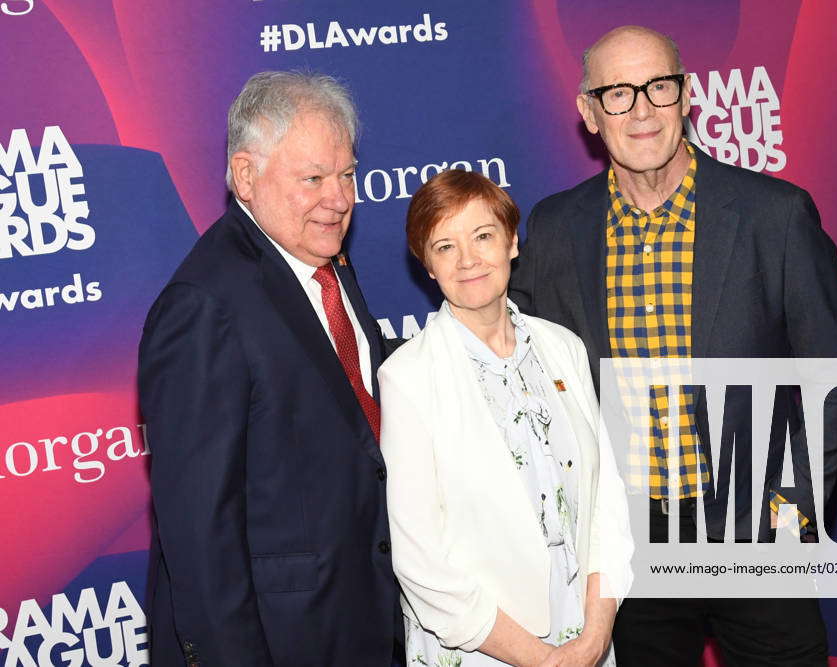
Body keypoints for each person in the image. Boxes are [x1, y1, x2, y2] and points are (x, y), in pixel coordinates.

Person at [508, 26, 837, 666]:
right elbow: (526, 379)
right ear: (588, 112)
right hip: (630, 553)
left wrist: (790, 513)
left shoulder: (774, 215)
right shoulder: (556, 230)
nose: (641, 109)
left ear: (687, 96)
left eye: (658, 87)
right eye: (617, 93)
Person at [138, 71, 397, 666]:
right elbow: (199, 535)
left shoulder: (321, 257)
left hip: (357, 621)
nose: (339, 199)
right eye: (313, 179)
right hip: (280, 643)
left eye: (348, 175)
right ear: (246, 176)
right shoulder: (203, 307)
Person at [378, 170, 634, 667]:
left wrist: (594, 639)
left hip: (588, 644)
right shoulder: (407, 379)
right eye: (445, 246)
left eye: (482, 236)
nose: (469, 260)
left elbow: (607, 504)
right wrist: (542, 660)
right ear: (427, 266)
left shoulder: (564, 348)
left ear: (512, 242)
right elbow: (419, 562)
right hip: (483, 653)